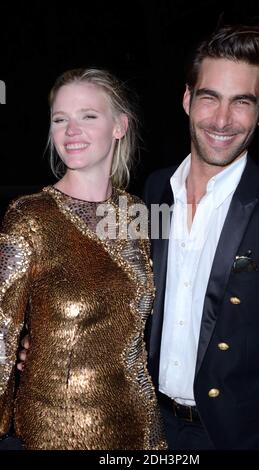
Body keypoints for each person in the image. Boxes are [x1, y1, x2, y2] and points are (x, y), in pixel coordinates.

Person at [143, 23, 259, 450]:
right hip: (146, 427)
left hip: (237, 437)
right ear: (187, 99)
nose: (222, 120)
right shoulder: (154, 192)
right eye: (210, 97)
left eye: (241, 103)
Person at [0, 68, 166, 450]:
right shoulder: (29, 217)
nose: (71, 130)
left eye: (88, 116)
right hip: (56, 431)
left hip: (141, 426)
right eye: (60, 119)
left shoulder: (138, 212)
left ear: (119, 126)